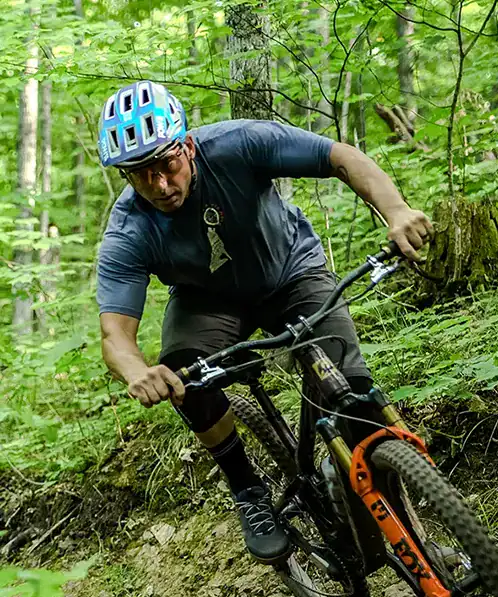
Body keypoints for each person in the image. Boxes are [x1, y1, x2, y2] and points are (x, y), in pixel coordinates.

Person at [96, 80, 432, 563]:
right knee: (185, 374)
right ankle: (247, 490)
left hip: (292, 271)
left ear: (187, 146)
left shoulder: (239, 144)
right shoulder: (129, 229)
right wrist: (138, 372)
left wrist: (396, 212)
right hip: (208, 302)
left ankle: (406, 525)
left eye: (166, 165)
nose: (161, 185)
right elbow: (115, 335)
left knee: (354, 393)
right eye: (140, 175)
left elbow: (341, 157)